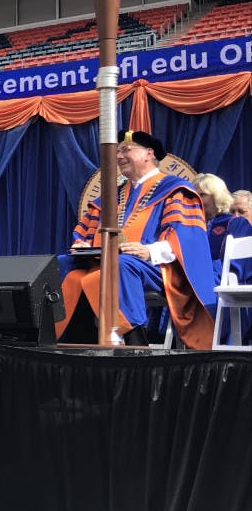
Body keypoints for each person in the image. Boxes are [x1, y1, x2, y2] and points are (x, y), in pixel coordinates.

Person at [55, 130, 216, 348]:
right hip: (107, 263)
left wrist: (150, 251)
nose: (119, 156)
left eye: (125, 150)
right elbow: (84, 231)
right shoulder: (112, 196)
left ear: (149, 154)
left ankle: (136, 343)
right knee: (62, 264)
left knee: (120, 266)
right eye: (117, 151)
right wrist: (82, 243)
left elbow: (187, 238)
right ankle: (72, 341)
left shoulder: (175, 190)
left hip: (157, 267)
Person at [193, 173, 252, 344]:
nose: (196, 198)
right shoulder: (190, 223)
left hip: (220, 276)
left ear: (216, 196)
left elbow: (237, 267)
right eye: (194, 193)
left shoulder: (233, 223)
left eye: (202, 194)